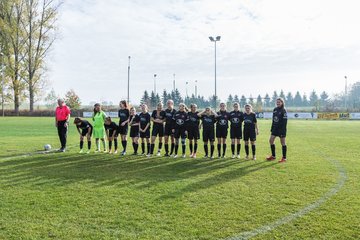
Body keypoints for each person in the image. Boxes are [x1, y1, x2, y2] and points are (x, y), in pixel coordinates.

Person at [266, 98, 288, 163]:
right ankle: (273, 156)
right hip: (275, 129)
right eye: (277, 102)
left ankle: (284, 158)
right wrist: (272, 128)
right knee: (271, 141)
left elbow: (285, 122)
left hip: (281, 129)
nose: (278, 103)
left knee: (283, 143)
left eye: (279, 102)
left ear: (282, 102)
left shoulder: (284, 110)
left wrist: (282, 130)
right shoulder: (275, 109)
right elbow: (273, 120)